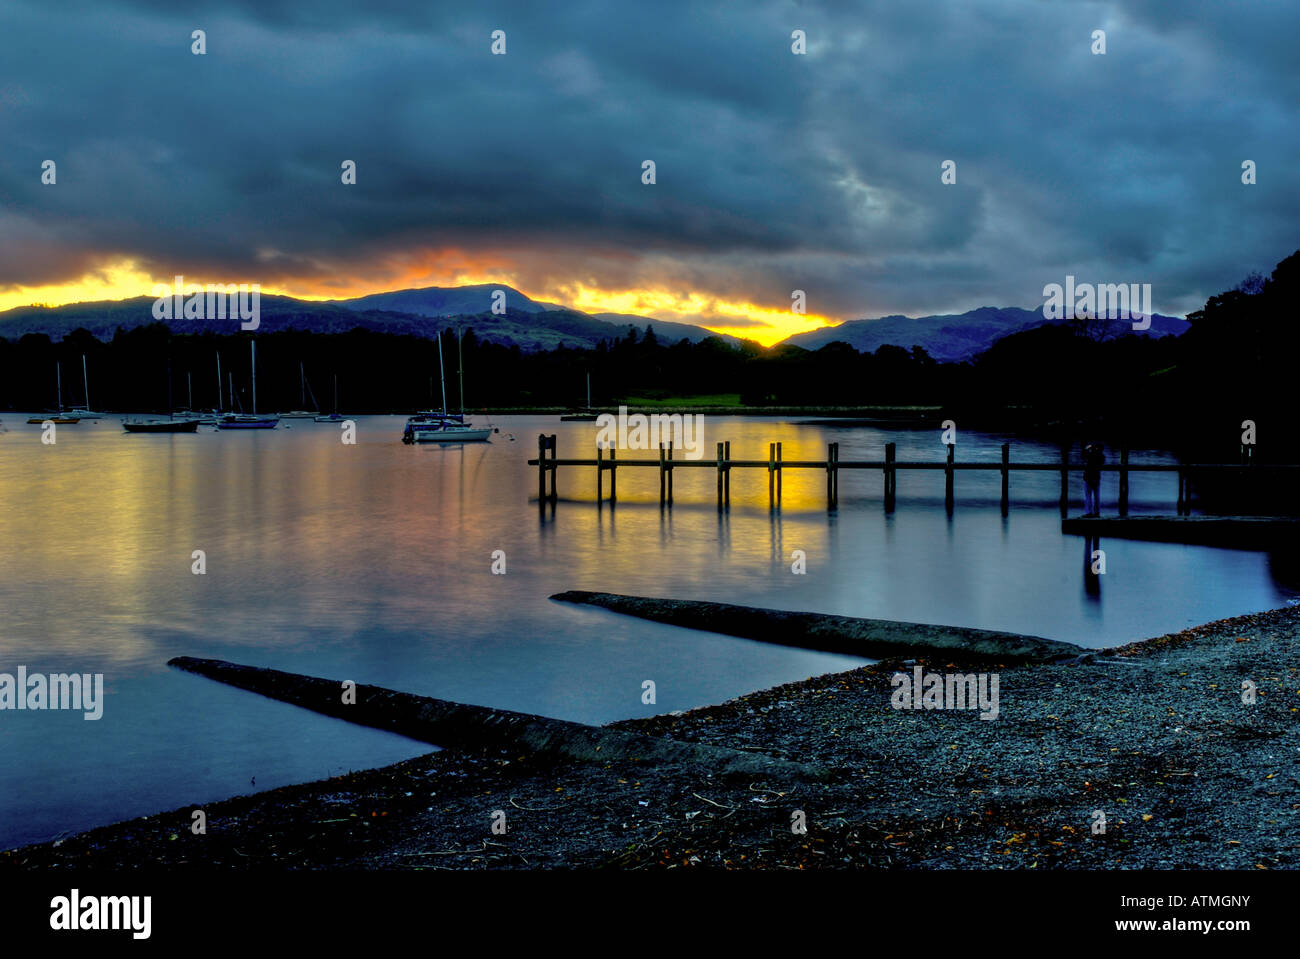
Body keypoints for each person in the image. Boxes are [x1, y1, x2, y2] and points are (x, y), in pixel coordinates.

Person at [1083, 441, 1104, 517]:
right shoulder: (1102, 456)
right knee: (1097, 496)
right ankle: (1097, 512)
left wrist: (1087, 449)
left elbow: (1083, 456)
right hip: (1097, 477)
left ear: (1096, 448)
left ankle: (1088, 513)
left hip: (1088, 477)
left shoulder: (1091, 455)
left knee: (1088, 496)